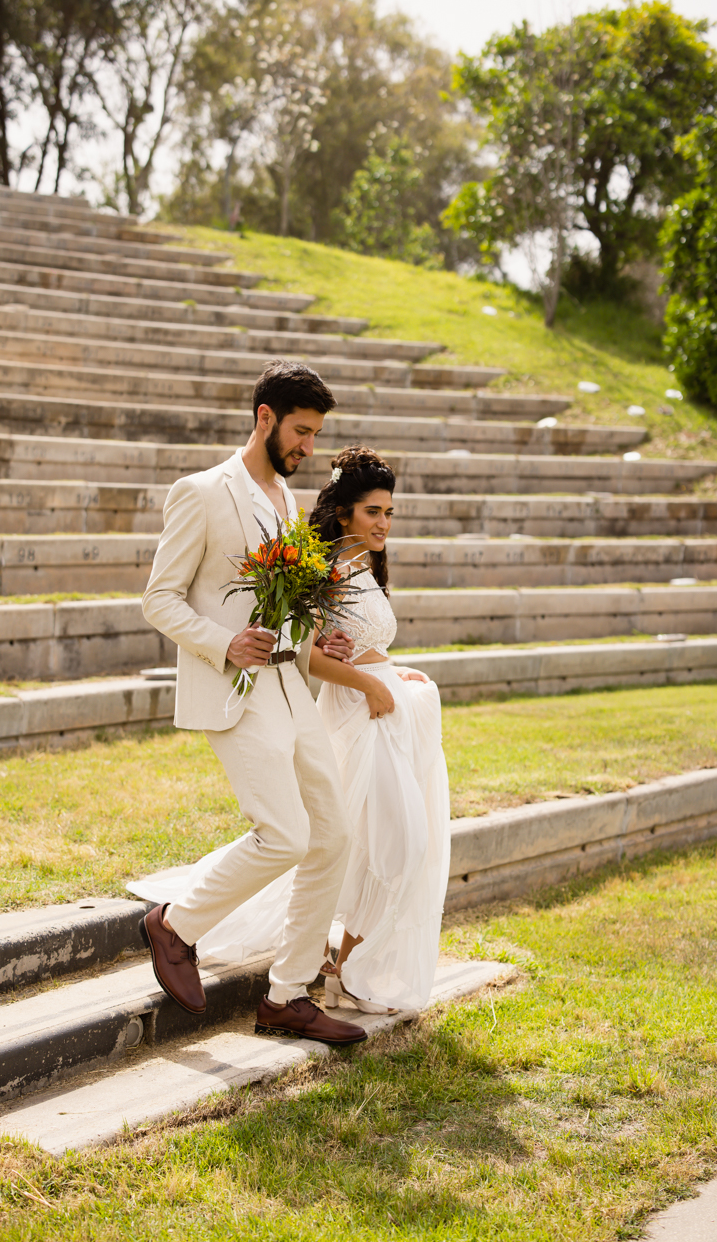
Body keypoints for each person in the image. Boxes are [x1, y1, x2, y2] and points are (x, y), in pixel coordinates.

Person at [139, 360, 367, 1047]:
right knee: (286, 835)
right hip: (233, 689)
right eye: (300, 431)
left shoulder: (284, 502)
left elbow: (280, 606)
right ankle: (173, 925)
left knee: (331, 836)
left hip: (287, 685)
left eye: (315, 434)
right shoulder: (201, 492)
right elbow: (158, 598)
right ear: (264, 417)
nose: (307, 447)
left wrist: (311, 635)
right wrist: (222, 643)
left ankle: (288, 996)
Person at [307, 444, 451, 1014]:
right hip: (355, 709)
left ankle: (344, 967)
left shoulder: (365, 564)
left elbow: (364, 643)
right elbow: (306, 657)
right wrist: (368, 682)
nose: (384, 523)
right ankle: (344, 965)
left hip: (387, 705)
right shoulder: (320, 573)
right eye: (372, 512)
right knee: (396, 845)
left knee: (385, 847)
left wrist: (388, 667)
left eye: (389, 513)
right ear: (343, 513)